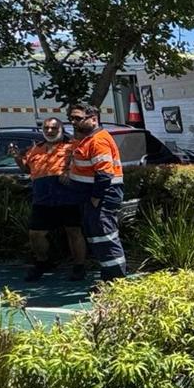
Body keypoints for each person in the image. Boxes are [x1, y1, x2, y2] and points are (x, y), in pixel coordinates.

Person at [9, 116, 87, 281]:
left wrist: (69, 172)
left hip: (68, 197)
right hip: (43, 199)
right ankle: (43, 263)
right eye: (46, 128)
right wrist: (17, 157)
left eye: (54, 128)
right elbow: (27, 170)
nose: (50, 131)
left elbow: (84, 165)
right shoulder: (35, 149)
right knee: (35, 234)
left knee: (74, 231)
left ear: (61, 129)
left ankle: (79, 266)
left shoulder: (72, 146)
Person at [66, 104, 127, 280]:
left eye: (78, 118)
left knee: (106, 238)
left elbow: (105, 173)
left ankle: (116, 281)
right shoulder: (86, 140)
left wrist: (95, 197)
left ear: (93, 119)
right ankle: (109, 278)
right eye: (72, 118)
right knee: (98, 239)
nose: (73, 122)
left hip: (102, 197)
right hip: (91, 198)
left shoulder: (98, 140)